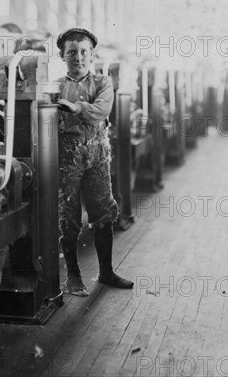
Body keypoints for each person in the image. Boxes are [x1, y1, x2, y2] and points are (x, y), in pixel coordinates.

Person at [54, 28, 133, 296]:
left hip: (98, 156)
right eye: (72, 52)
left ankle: (106, 272)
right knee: (69, 218)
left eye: (84, 52)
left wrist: (76, 108)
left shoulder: (102, 82)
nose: (78, 57)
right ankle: (73, 277)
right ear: (62, 55)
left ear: (91, 54)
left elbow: (102, 110)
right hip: (68, 158)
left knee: (104, 213)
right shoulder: (54, 87)